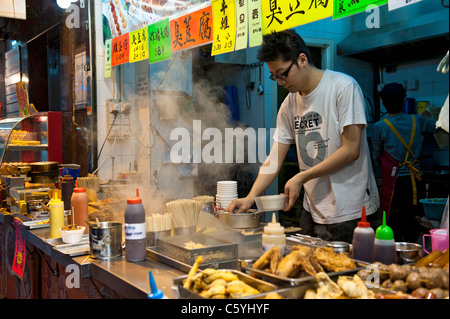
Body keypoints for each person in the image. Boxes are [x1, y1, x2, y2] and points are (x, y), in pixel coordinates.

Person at [226, 29, 380, 243]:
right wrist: (250, 198)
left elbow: (351, 150)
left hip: (351, 210)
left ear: (302, 59)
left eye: (282, 74)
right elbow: (274, 159)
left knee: (349, 273)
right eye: (274, 76)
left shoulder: (343, 87)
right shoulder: (289, 104)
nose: (280, 82)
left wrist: (301, 176)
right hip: (313, 209)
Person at [371, 83, 439, 242]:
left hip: (393, 183)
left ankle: (393, 255)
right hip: (416, 180)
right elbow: (438, 126)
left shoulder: (380, 126)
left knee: (393, 223)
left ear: (383, 103)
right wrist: (428, 117)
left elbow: (377, 156)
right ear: (404, 100)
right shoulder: (418, 120)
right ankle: (413, 252)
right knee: (415, 221)